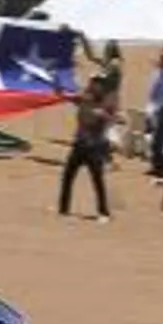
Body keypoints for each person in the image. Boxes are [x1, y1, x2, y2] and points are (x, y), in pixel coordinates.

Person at [58, 75, 114, 222]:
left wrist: (105, 115)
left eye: (98, 83)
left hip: (94, 147)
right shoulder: (84, 99)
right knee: (67, 177)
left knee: (97, 180)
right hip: (79, 145)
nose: (95, 85)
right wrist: (56, 84)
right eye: (93, 82)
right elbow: (64, 96)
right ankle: (63, 209)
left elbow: (118, 119)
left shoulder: (106, 102)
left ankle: (104, 212)